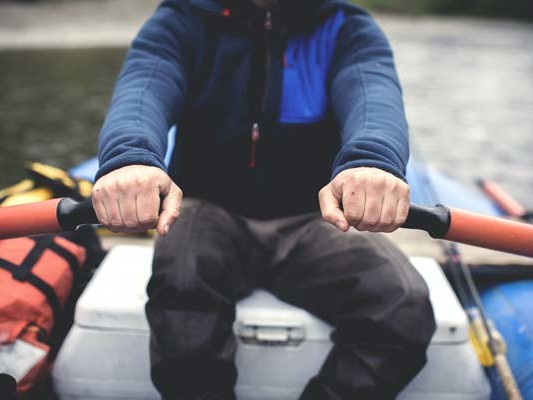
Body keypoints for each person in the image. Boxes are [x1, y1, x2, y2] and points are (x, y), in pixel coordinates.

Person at [92, 0, 436, 398]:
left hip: (315, 218)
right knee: (183, 281)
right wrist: (130, 158)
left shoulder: (347, 27)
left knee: (403, 302)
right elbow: (144, 89)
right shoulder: (183, 17)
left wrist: (373, 162)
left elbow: (372, 98)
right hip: (208, 208)